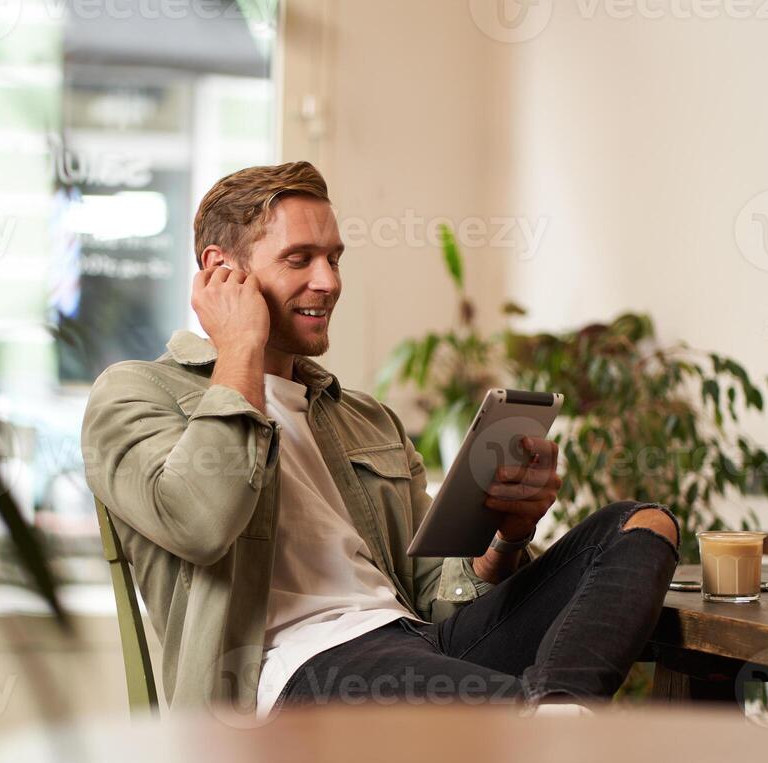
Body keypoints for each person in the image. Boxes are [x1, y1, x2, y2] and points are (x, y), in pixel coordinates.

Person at [82, 161, 679, 719]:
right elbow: (203, 522)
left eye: (335, 259)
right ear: (221, 272)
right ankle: (547, 726)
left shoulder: (364, 419)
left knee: (641, 526)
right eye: (300, 259)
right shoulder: (135, 394)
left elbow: (435, 596)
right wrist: (238, 345)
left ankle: (556, 717)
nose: (329, 281)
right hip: (293, 676)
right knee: (515, 721)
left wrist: (508, 536)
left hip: (415, 643)